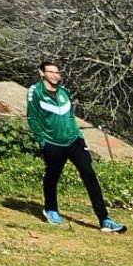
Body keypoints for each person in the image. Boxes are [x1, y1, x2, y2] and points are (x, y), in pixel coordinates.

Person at [27, 60, 126, 233]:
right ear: (42, 73)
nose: (55, 75)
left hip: (74, 141)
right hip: (52, 143)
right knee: (52, 175)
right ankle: (51, 208)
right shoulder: (35, 92)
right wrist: (42, 141)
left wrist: (80, 137)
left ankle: (104, 219)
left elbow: (71, 117)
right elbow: (33, 118)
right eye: (51, 72)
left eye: (57, 72)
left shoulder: (64, 93)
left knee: (89, 174)